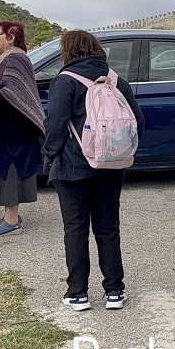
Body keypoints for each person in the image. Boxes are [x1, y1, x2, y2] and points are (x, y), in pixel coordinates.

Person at [44, 30, 145, 312]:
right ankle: (114, 290)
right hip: (112, 165)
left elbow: (55, 126)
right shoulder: (115, 80)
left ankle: (77, 293)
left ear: (68, 51)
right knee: (108, 228)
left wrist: (51, 154)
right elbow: (138, 120)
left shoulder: (65, 81)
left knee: (75, 229)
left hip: (73, 166)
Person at [0, 21, 46, 236]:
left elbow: (8, 95)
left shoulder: (15, 58)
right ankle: (9, 216)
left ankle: (12, 220)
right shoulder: (9, 58)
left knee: (10, 170)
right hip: (8, 129)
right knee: (3, 169)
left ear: (12, 37)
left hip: (14, 131)